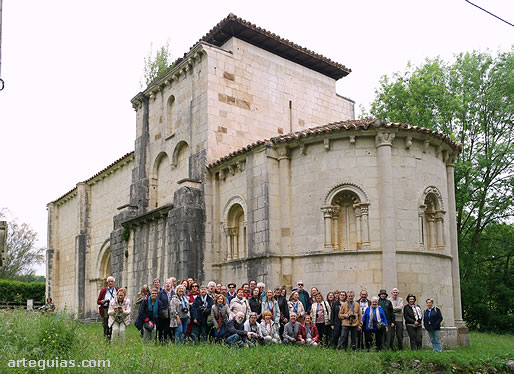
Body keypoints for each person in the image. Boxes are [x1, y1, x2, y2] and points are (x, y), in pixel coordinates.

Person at [97, 276, 118, 340]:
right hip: (105, 308)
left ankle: (112, 337)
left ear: (114, 282)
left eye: (112, 281)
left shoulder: (117, 290)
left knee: (113, 323)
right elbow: (98, 301)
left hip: (114, 308)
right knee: (106, 323)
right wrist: (102, 301)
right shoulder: (103, 291)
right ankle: (106, 338)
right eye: (109, 281)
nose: (110, 283)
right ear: (107, 283)